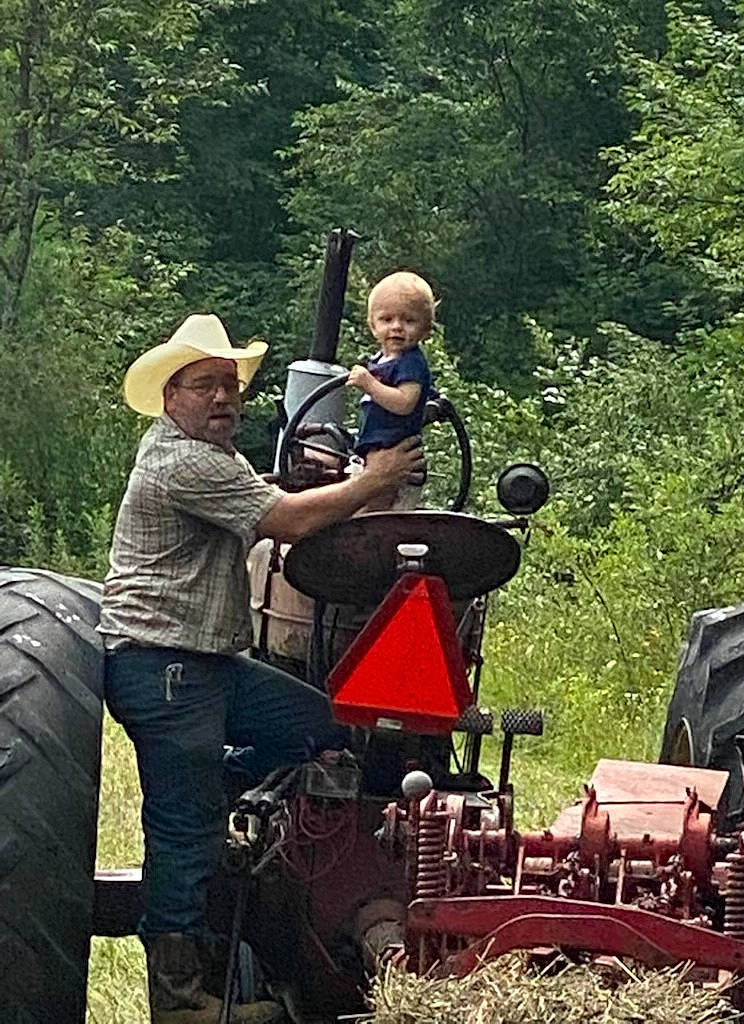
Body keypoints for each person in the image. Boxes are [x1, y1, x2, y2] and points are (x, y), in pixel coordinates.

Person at [98, 312, 424, 1024]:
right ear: (169, 397)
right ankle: (180, 1000)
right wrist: (378, 479)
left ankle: (255, 819)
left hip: (207, 666)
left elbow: (270, 494)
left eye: (230, 386)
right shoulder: (180, 463)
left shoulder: (215, 458)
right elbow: (289, 523)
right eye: (204, 386)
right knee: (185, 828)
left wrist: (309, 475)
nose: (222, 399)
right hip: (165, 667)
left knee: (315, 722)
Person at [346, 271, 434, 510]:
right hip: (373, 448)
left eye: (408, 321)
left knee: (375, 514)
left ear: (425, 329)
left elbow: (405, 402)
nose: (396, 327)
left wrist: (369, 384)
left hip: (395, 452)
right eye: (386, 320)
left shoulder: (411, 362)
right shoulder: (380, 359)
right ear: (373, 326)